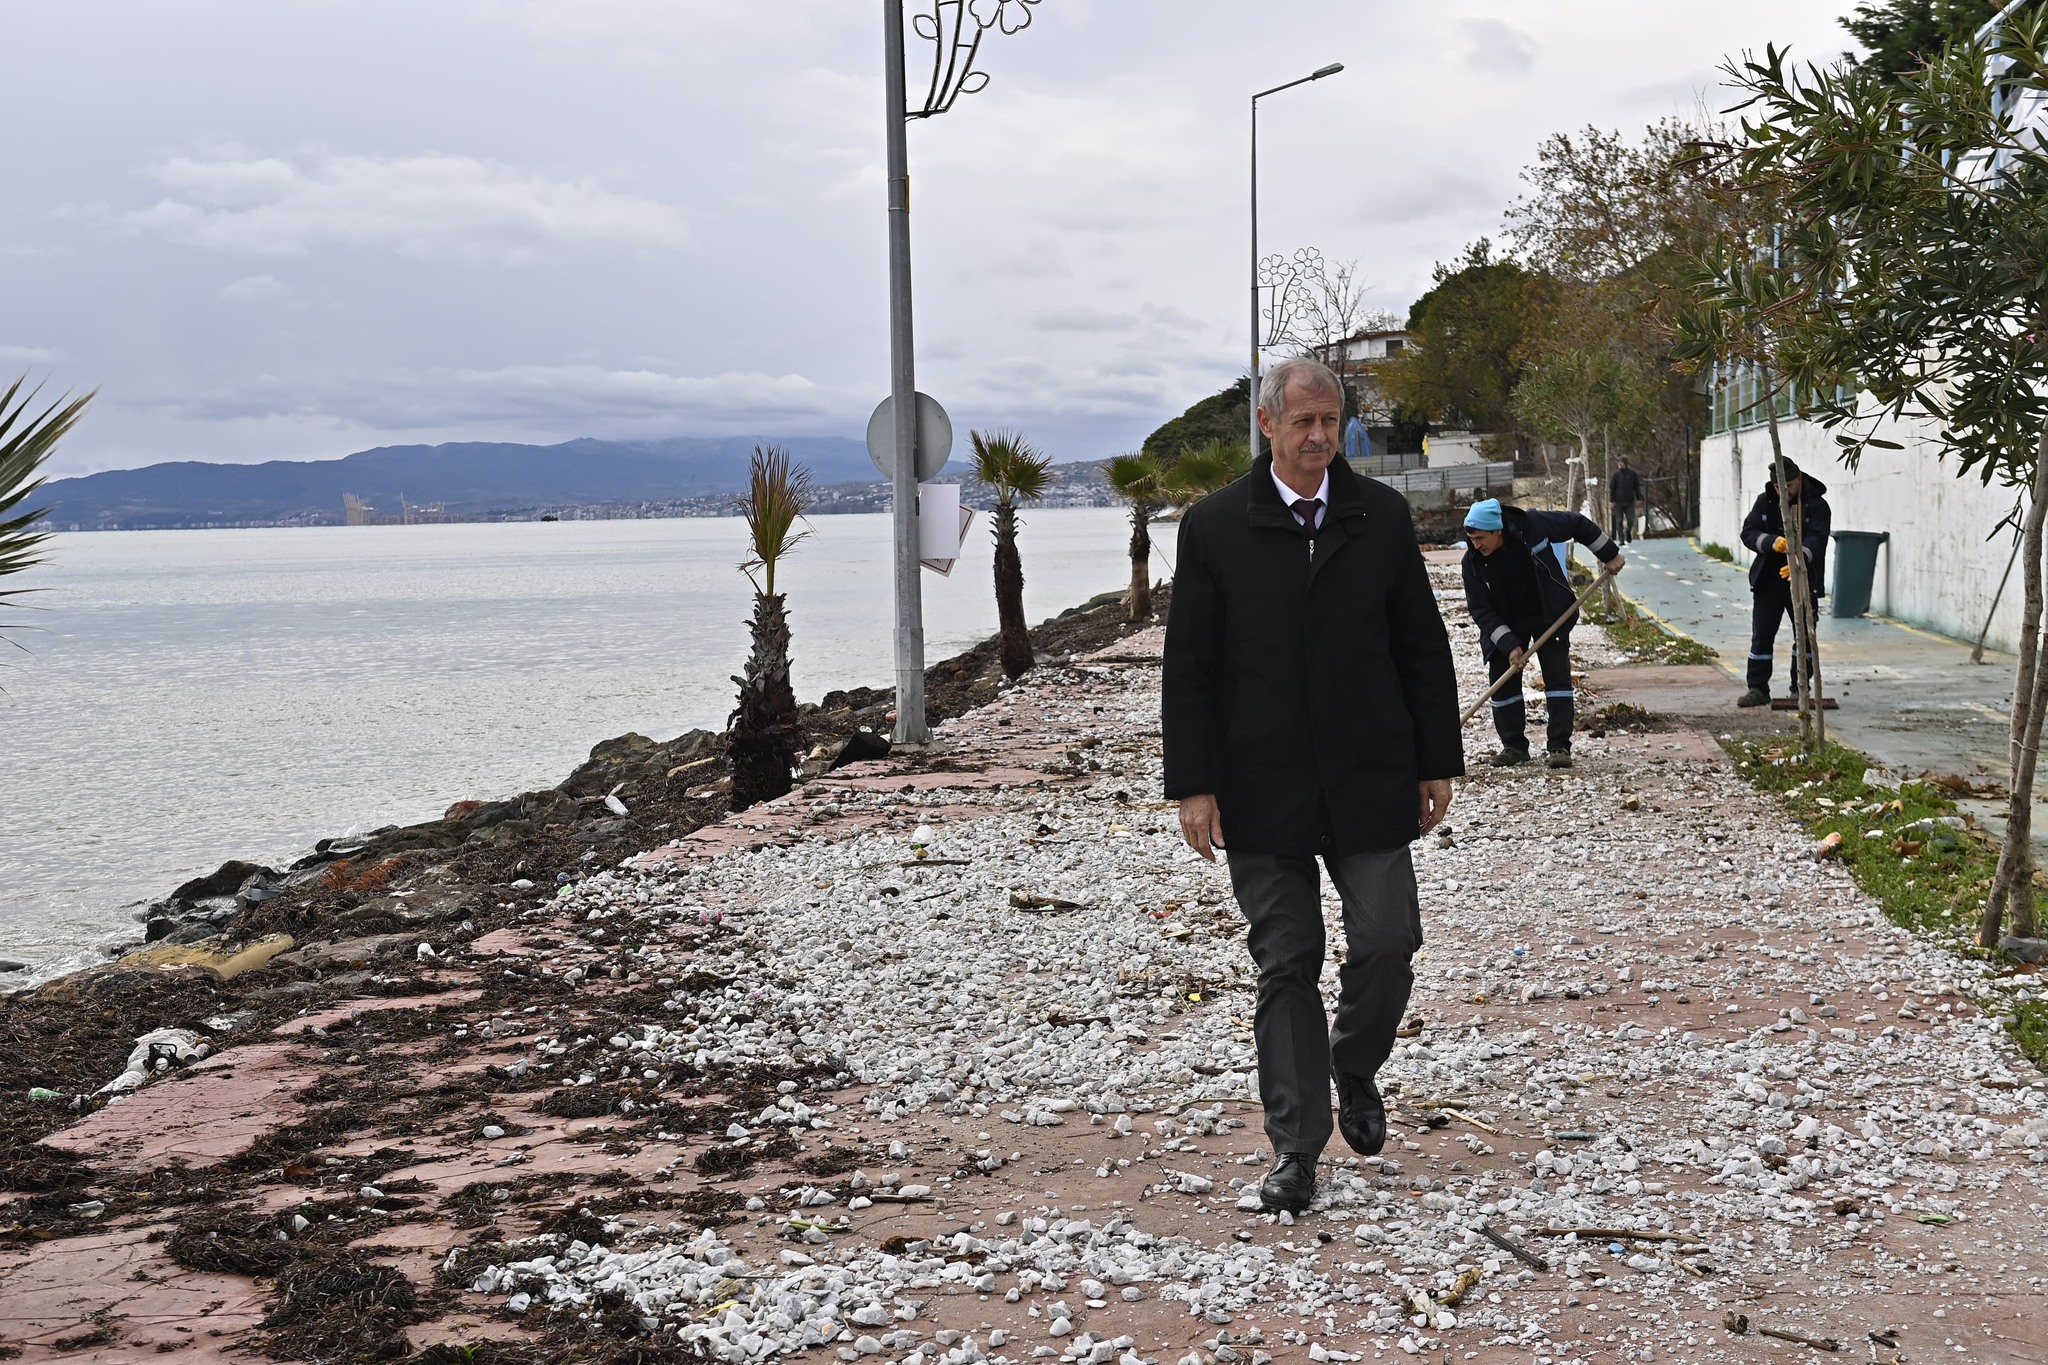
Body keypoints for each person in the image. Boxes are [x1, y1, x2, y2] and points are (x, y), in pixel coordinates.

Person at [1162, 356, 1464, 1214]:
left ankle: (1355, 1061)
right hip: (1259, 788)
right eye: (1303, 423)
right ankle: (1296, 1145)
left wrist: (1434, 760)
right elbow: (1188, 668)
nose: (1320, 438)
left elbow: (1421, 647)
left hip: (1371, 776)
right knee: (1286, 959)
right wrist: (1194, 784)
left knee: (1388, 937)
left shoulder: (1380, 515)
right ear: (1266, 425)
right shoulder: (1215, 525)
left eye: (1331, 422)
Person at [1460, 498, 1626, 770]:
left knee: (1557, 676)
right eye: (1471, 537)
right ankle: (1514, 747)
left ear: (1497, 530)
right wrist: (1509, 644)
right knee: (1502, 682)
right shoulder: (1473, 562)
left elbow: (1578, 524)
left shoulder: (1534, 526)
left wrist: (1609, 554)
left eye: (1480, 537)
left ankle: (1559, 745)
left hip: (1548, 612)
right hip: (1505, 620)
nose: (1475, 544)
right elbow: (1481, 609)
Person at [1737, 460, 1831, 708]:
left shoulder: (1817, 506)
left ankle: (1799, 687)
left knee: (1805, 636)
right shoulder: (1764, 501)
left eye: (1787, 485)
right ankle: (1757, 688)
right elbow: (1749, 532)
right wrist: (1771, 542)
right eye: (1778, 486)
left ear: (1799, 480)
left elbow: (1818, 540)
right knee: (1762, 635)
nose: (1782, 491)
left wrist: (1799, 560)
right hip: (1768, 579)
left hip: (1802, 579)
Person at [1608, 458, 1641, 544]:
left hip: (1629, 501)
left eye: (1621, 463)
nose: (1620, 464)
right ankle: (1621, 539)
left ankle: (1628, 532)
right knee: (1619, 521)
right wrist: (1611, 500)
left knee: (1631, 519)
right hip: (1618, 502)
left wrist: (1638, 498)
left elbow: (1636, 487)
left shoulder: (1632, 474)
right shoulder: (1615, 475)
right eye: (1618, 463)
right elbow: (1612, 488)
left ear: (1626, 463)